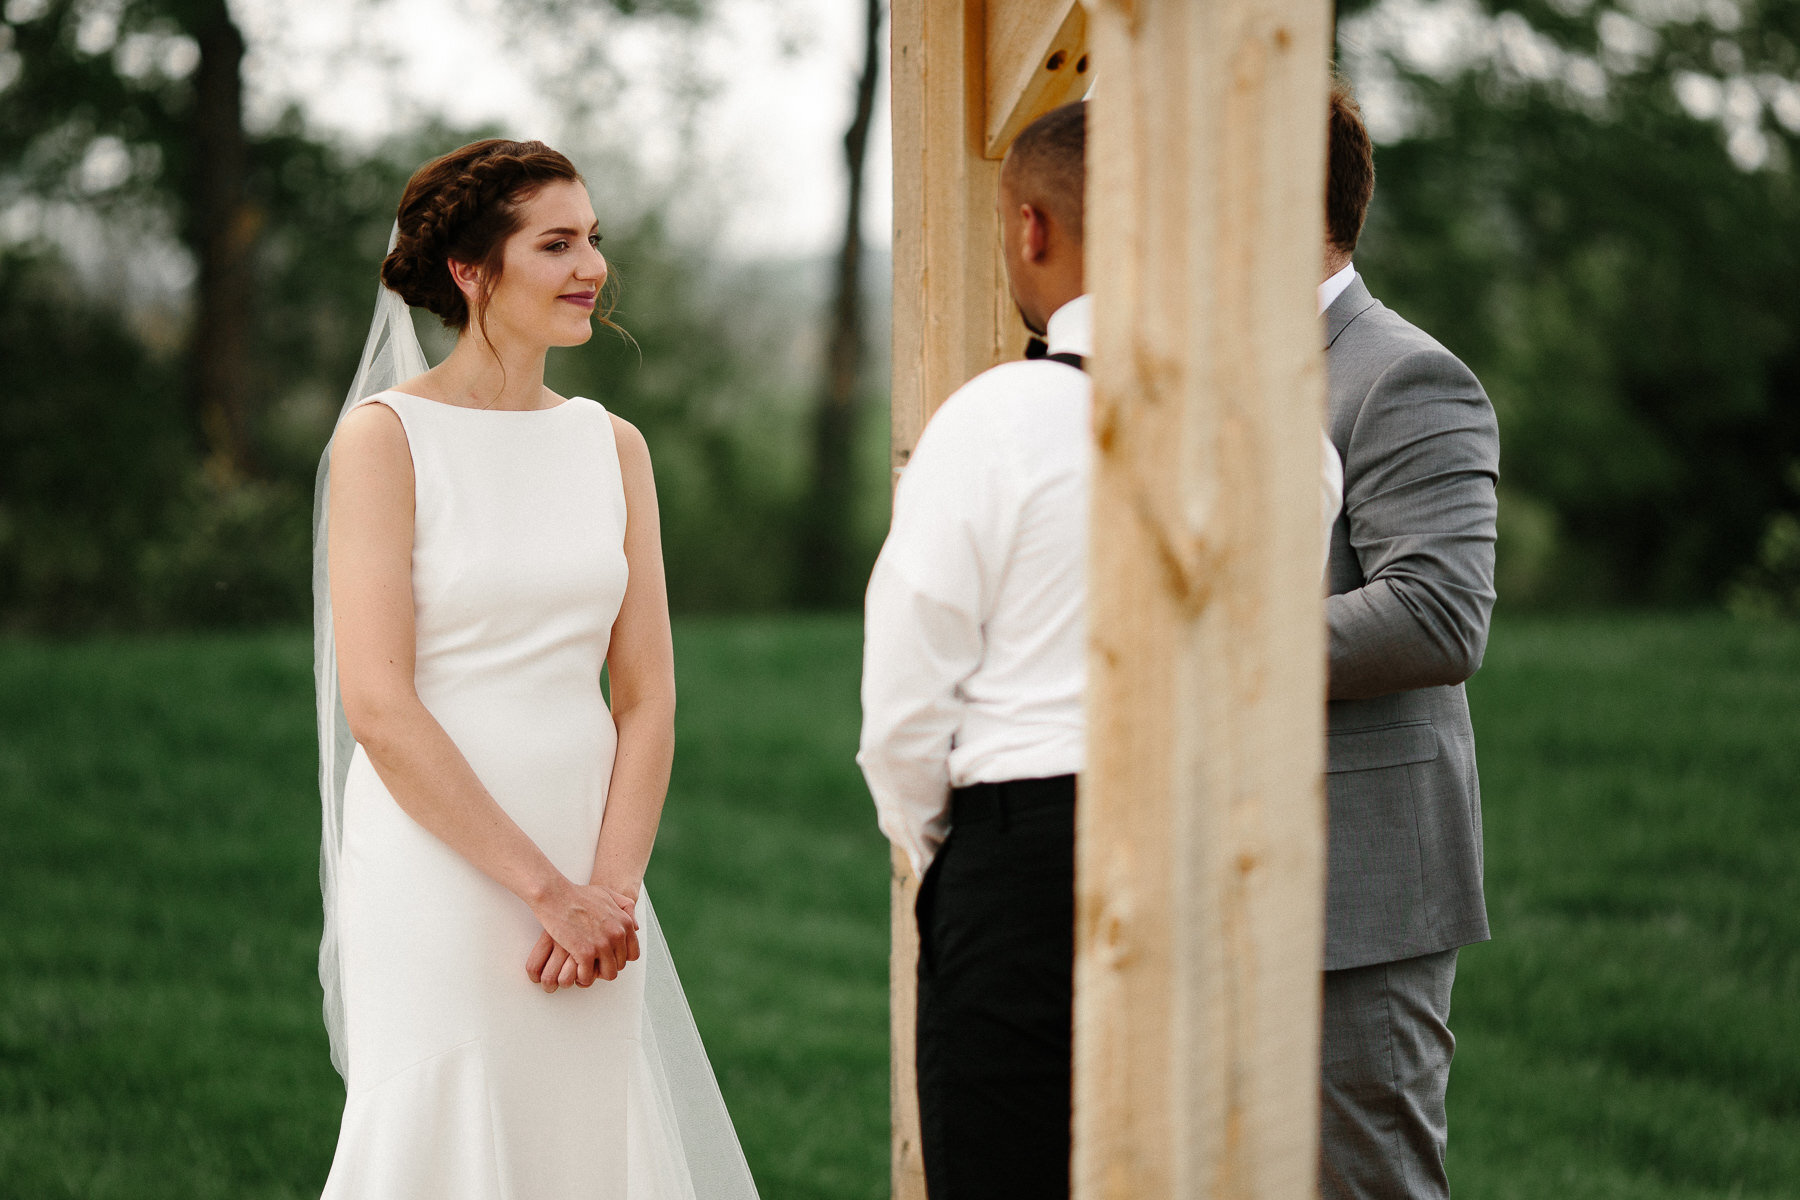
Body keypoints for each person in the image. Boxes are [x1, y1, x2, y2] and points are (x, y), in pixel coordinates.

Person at [857, 102, 1344, 1200]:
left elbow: (904, 699)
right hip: (1219, 853)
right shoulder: (1288, 436)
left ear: (1033, 228)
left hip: (1023, 849)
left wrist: (954, 849)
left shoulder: (990, 422)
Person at [312, 138, 758, 1199]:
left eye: (593, 239)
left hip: (593, 853)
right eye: (555, 244)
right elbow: (378, 704)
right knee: (447, 1120)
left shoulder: (613, 447)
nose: (590, 267)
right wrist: (544, 891)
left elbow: (647, 694)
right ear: (471, 272)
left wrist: (610, 889)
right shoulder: (386, 441)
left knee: (585, 1130)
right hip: (441, 862)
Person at [1316, 78, 1500, 1200]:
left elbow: (1437, 610)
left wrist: (1192, 650)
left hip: (1358, 888)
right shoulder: (1208, 378)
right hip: (1213, 871)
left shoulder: (1402, 373)